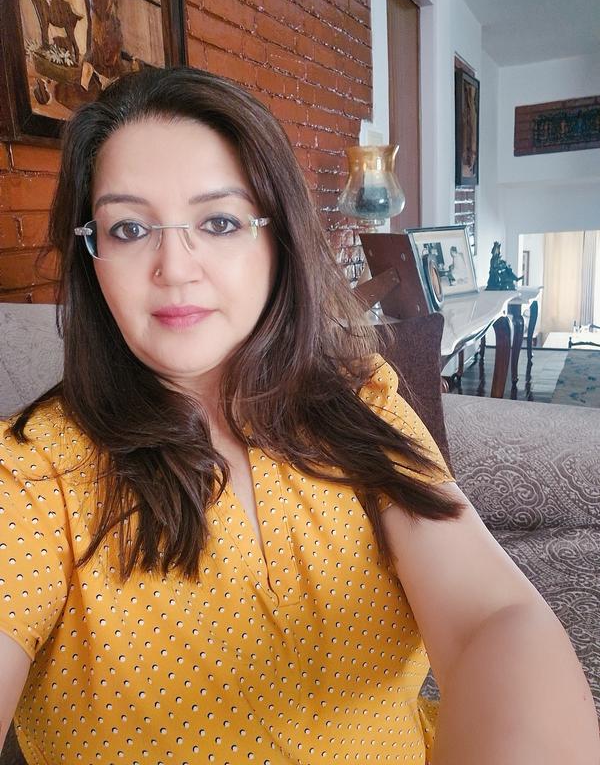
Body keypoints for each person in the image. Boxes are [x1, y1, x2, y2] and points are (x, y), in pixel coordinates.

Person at [0, 67, 597, 765]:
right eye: (129, 228)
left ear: (277, 238)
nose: (175, 268)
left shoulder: (359, 401)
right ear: (92, 256)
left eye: (219, 222)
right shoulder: (31, 475)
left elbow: (490, 617)